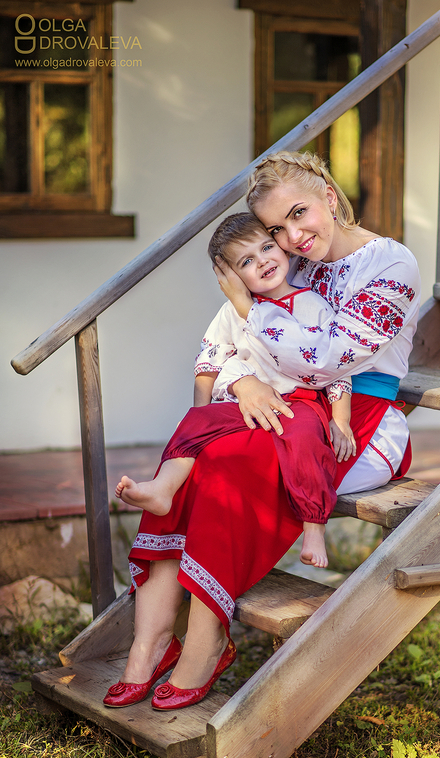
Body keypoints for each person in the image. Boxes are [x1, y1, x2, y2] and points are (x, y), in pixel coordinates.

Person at [103, 150, 420, 713]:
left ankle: (204, 642)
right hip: (282, 405)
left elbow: (327, 360)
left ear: (328, 195)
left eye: (299, 214)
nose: (292, 237)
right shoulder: (293, 261)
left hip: (355, 422)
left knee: (225, 465)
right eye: (276, 229)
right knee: (197, 458)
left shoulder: (392, 265)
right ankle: (149, 644)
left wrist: (249, 315)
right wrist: (242, 381)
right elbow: (231, 345)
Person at [114, 212, 356, 571]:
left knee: (308, 439)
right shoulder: (231, 313)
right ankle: (163, 487)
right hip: (242, 405)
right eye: (246, 261)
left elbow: (335, 368)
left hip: (299, 402)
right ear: (230, 277)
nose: (263, 261)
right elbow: (210, 360)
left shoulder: (312, 306)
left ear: (282, 248)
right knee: (195, 422)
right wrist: (201, 415)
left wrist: (340, 420)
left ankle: (314, 528)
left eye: (267, 248)